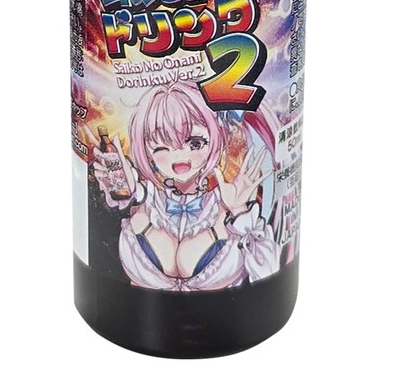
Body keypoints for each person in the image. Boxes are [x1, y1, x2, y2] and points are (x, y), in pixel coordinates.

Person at [91, 81, 280, 291]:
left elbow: (269, 272)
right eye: (162, 147)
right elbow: (134, 194)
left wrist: (239, 211)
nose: (179, 155)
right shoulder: (148, 200)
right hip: (129, 305)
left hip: (237, 307)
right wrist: (123, 187)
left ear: (215, 140)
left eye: (195, 142)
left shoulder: (223, 202)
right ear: (147, 153)